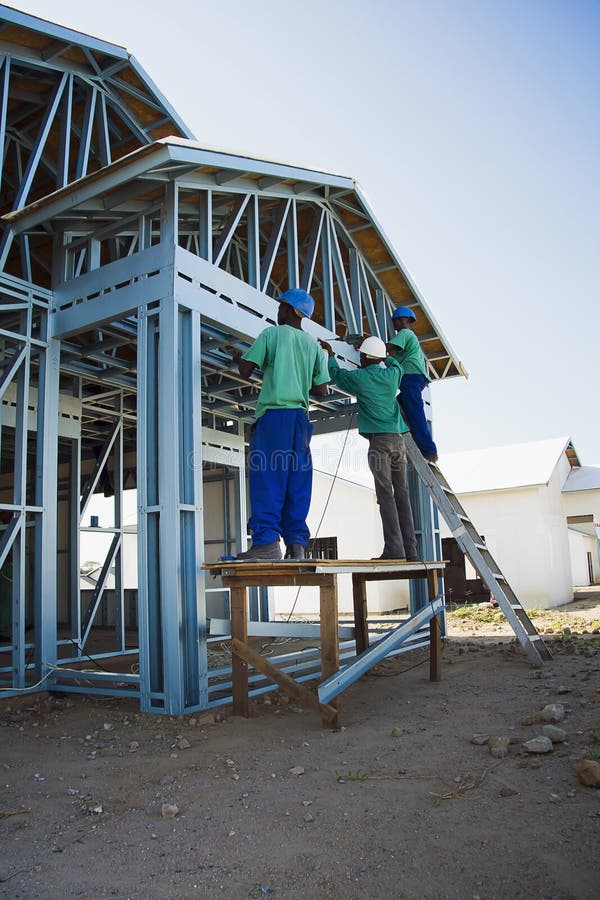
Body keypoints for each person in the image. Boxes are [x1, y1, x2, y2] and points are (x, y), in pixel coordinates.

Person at [232, 289, 329, 561]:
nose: (278, 312)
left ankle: (266, 543)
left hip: (275, 417)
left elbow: (246, 371)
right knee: (297, 483)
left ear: (288, 310)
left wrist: (238, 356)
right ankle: (296, 545)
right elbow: (321, 389)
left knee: (268, 478)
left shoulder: (271, 335)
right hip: (300, 420)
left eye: (280, 307)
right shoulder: (313, 346)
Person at [319, 335, 418, 561]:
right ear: (380, 358)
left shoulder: (360, 378)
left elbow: (337, 375)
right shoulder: (392, 375)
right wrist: (382, 355)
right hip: (398, 441)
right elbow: (396, 364)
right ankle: (411, 551)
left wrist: (331, 354)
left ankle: (394, 549)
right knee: (402, 494)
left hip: (379, 443)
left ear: (364, 357)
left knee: (386, 496)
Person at [387, 305, 438, 462]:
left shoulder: (405, 333)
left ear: (404, 320)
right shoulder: (410, 339)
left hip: (410, 375)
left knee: (415, 412)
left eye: (396, 321)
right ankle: (416, 437)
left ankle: (429, 450)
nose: (394, 324)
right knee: (401, 404)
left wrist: (368, 345)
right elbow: (391, 359)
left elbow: (387, 348)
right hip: (416, 377)